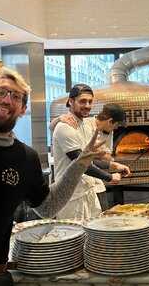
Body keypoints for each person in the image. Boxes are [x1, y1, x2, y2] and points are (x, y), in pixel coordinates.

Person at [0, 68, 105, 286]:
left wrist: (79, 165)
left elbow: (47, 206)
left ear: (23, 110)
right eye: (0, 92)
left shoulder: (26, 157)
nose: (7, 100)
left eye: (16, 96)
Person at [51, 84, 131, 221]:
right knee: (73, 238)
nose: (87, 105)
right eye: (82, 101)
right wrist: (110, 177)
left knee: (95, 235)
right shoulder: (65, 127)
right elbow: (80, 163)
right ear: (71, 101)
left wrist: (114, 166)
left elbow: (90, 160)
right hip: (71, 196)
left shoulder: (85, 127)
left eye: (90, 101)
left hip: (87, 192)